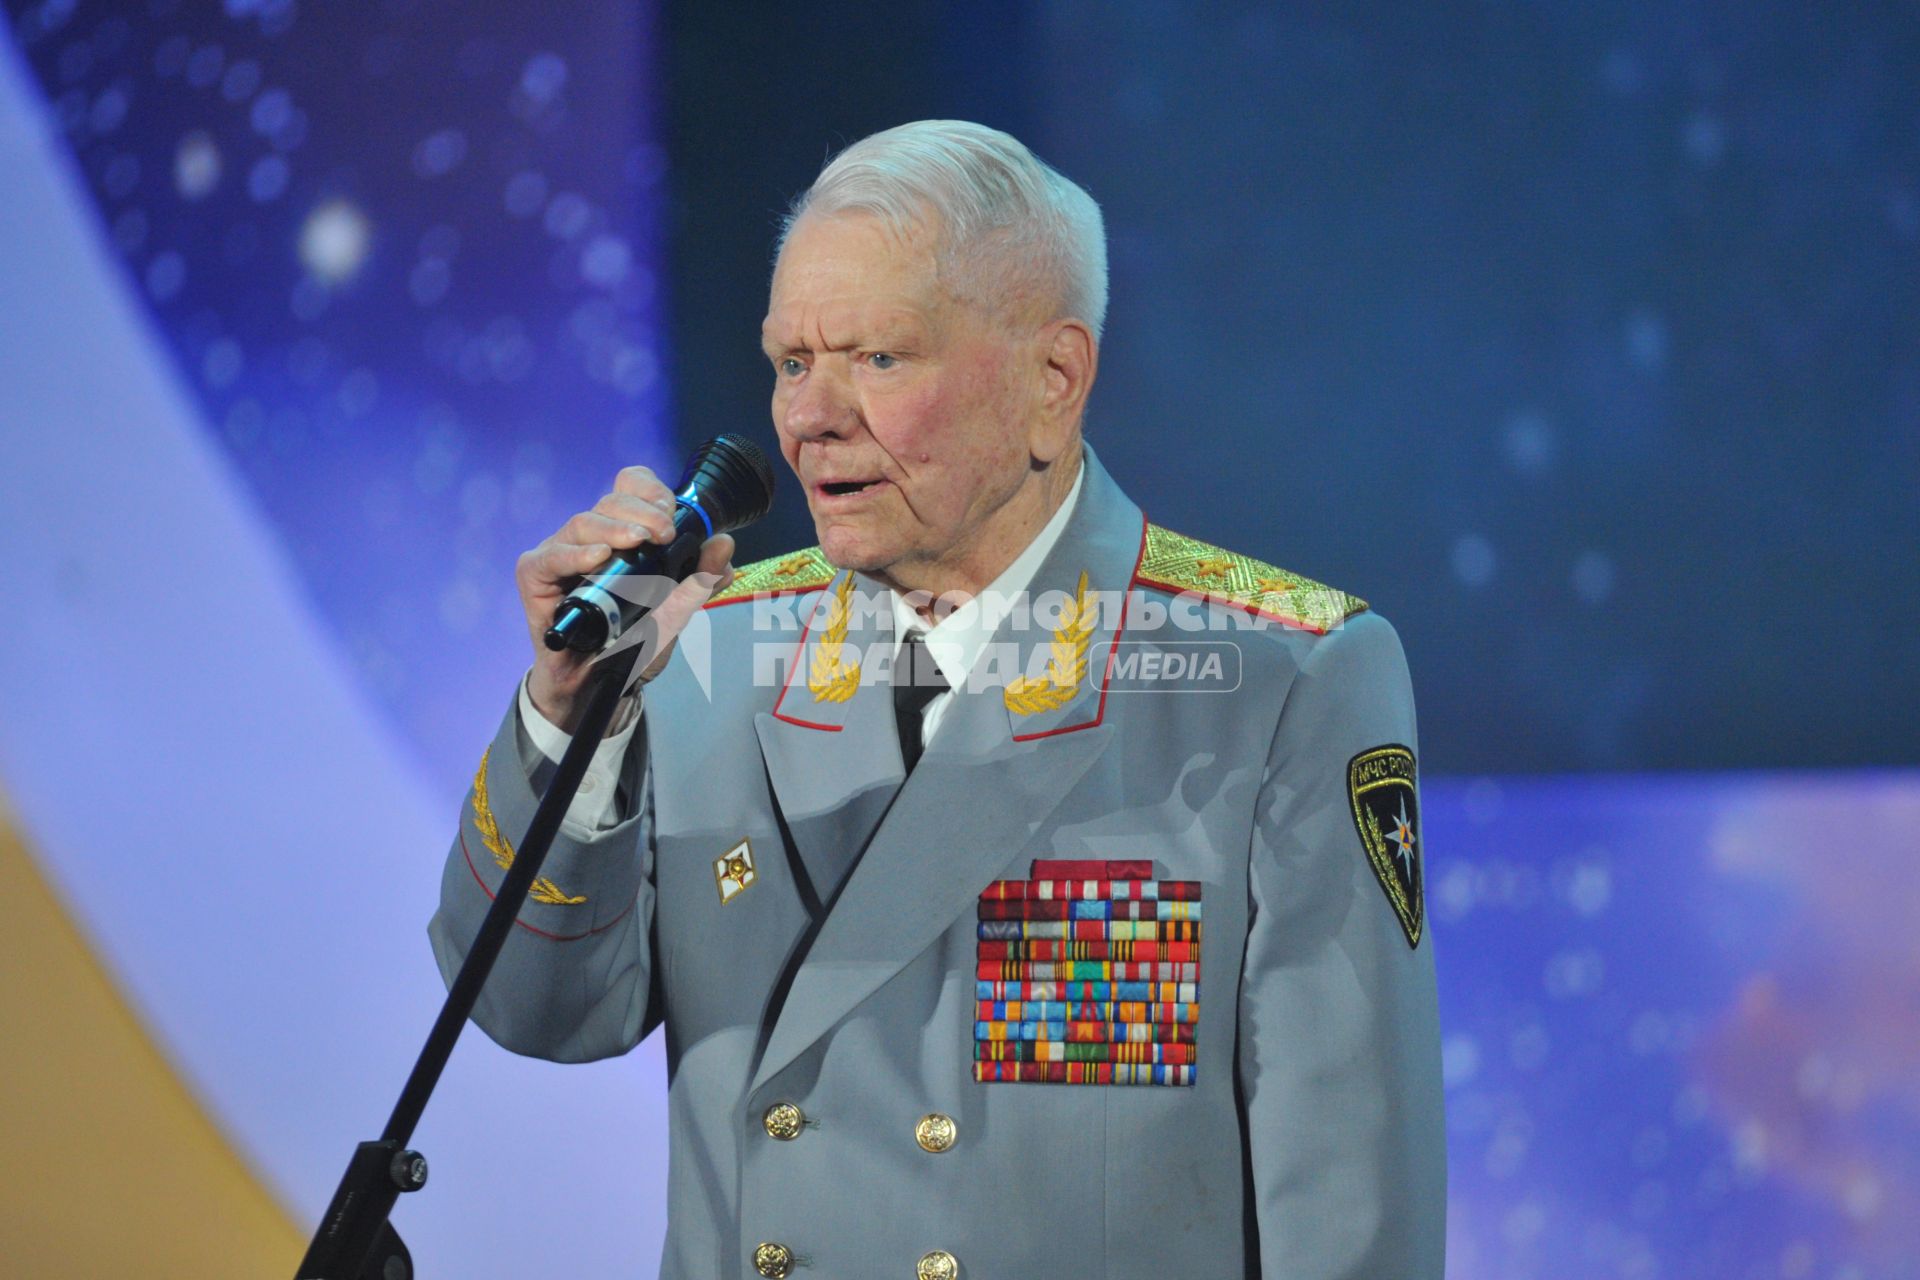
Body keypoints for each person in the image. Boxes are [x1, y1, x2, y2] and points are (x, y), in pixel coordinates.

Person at [431, 119, 1444, 1279]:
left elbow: (1350, 1212)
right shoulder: (697, 649)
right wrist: (572, 712)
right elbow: (533, 1009)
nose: (810, 417)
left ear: (1051, 383)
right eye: (791, 361)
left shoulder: (1279, 678)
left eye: (878, 358)